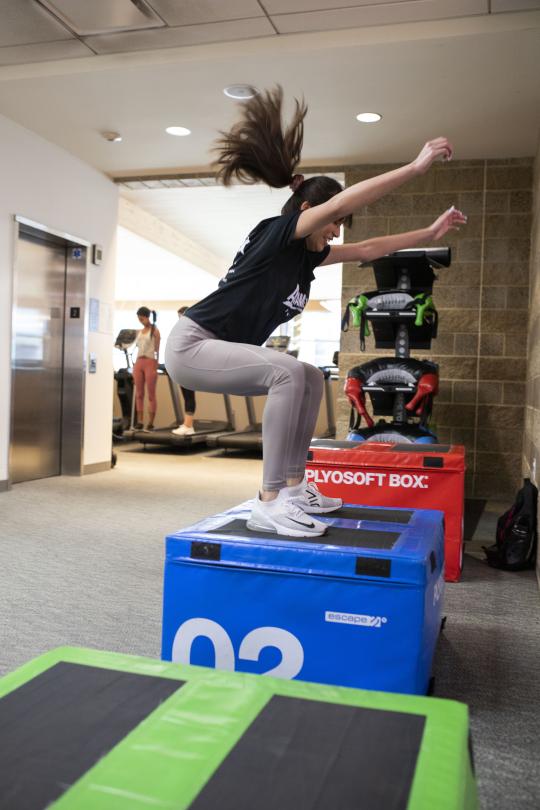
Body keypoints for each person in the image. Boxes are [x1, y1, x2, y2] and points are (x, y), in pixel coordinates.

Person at [165, 86, 466, 538]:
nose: (335, 230)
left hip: (216, 347)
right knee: (287, 372)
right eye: (331, 221)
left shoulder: (306, 257)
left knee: (307, 374)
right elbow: (345, 202)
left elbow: (368, 248)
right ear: (308, 211)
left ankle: (294, 487)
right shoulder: (278, 232)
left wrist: (430, 230)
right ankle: (270, 500)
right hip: (192, 345)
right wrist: (416, 166)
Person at [133, 306, 160, 430]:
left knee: (151, 394)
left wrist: (155, 365)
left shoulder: (155, 331)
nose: (140, 320)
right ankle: (140, 421)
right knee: (139, 394)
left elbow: (157, 350)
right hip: (139, 362)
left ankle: (150, 422)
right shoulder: (139, 332)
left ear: (147, 317)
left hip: (150, 362)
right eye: (139, 319)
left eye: (142, 318)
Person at [172, 306, 197, 436]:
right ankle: (187, 423)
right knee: (185, 394)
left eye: (181, 316)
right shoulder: (183, 330)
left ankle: (189, 425)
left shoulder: (192, 329)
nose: (179, 319)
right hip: (182, 364)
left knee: (189, 395)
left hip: (190, 365)